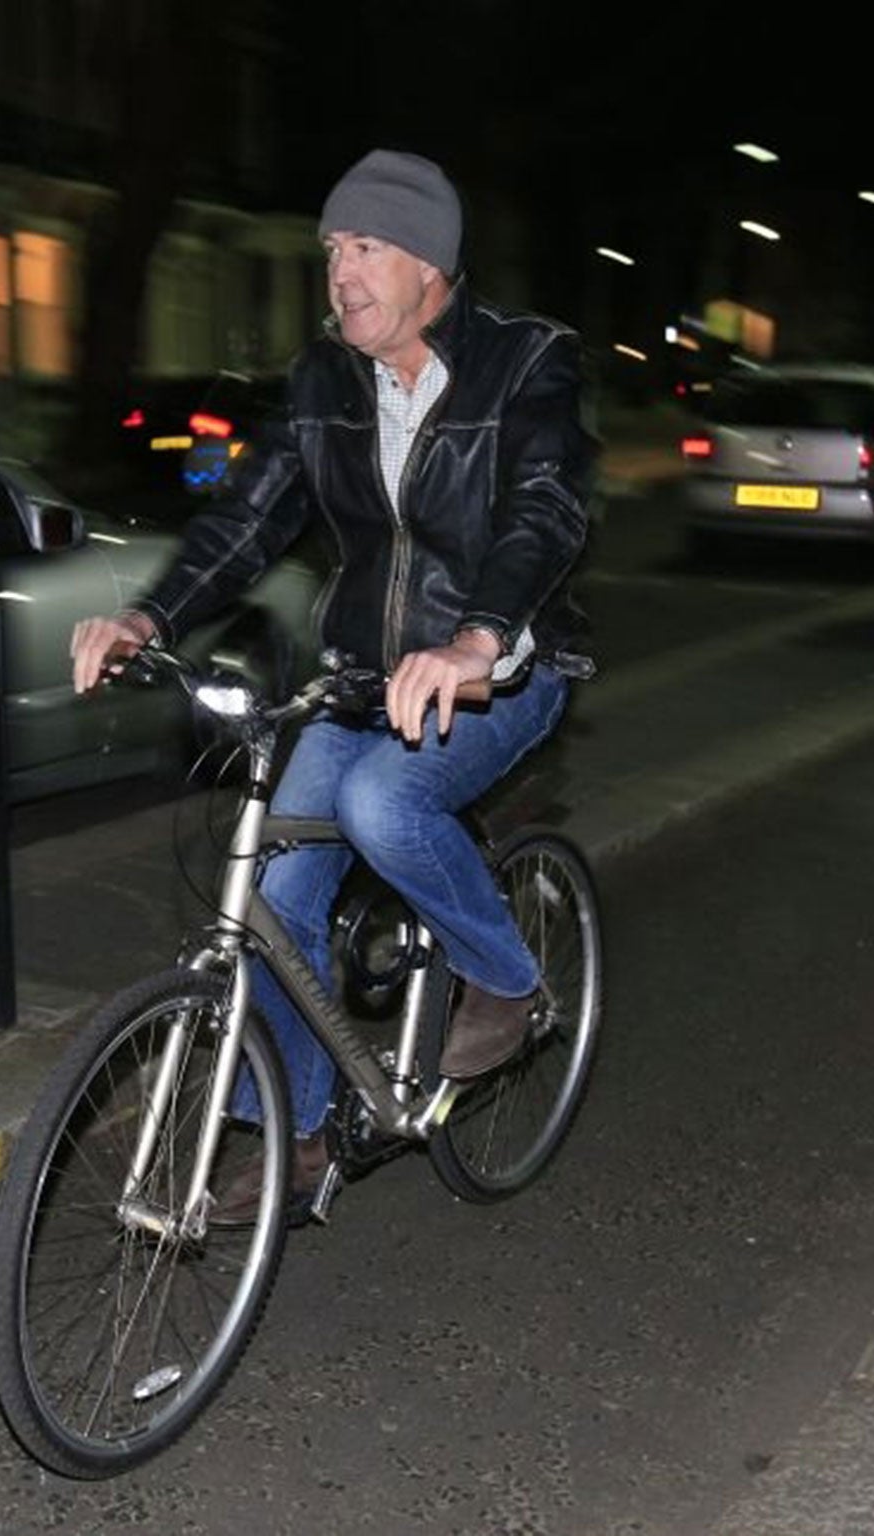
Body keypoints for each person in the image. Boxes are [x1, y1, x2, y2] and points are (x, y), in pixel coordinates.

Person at [69, 148, 597, 1214]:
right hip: (365, 678)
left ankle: (503, 977)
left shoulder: (523, 362)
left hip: (499, 672)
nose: (339, 274)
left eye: (363, 248)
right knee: (275, 889)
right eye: (331, 251)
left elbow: (545, 508)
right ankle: (296, 1133)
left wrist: (477, 637)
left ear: (427, 264)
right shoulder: (322, 383)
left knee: (379, 804)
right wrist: (149, 613)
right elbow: (251, 516)